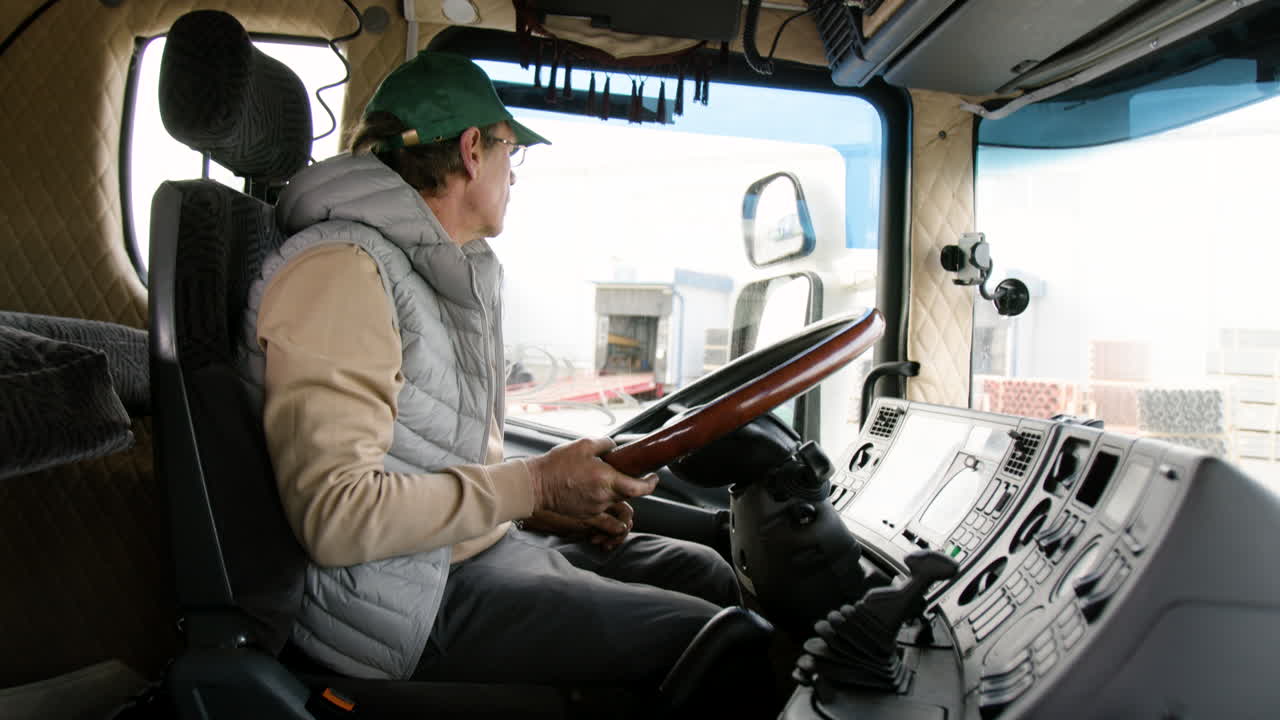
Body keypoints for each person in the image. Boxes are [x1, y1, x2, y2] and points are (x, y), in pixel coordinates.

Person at [242, 51, 740, 687]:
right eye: (512, 152)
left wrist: (535, 508)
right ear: (473, 150)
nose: (514, 173)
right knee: (715, 649)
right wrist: (531, 487)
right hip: (398, 606)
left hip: (458, 556)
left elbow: (425, 459)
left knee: (706, 576)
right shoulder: (343, 273)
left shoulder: (431, 271)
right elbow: (337, 515)